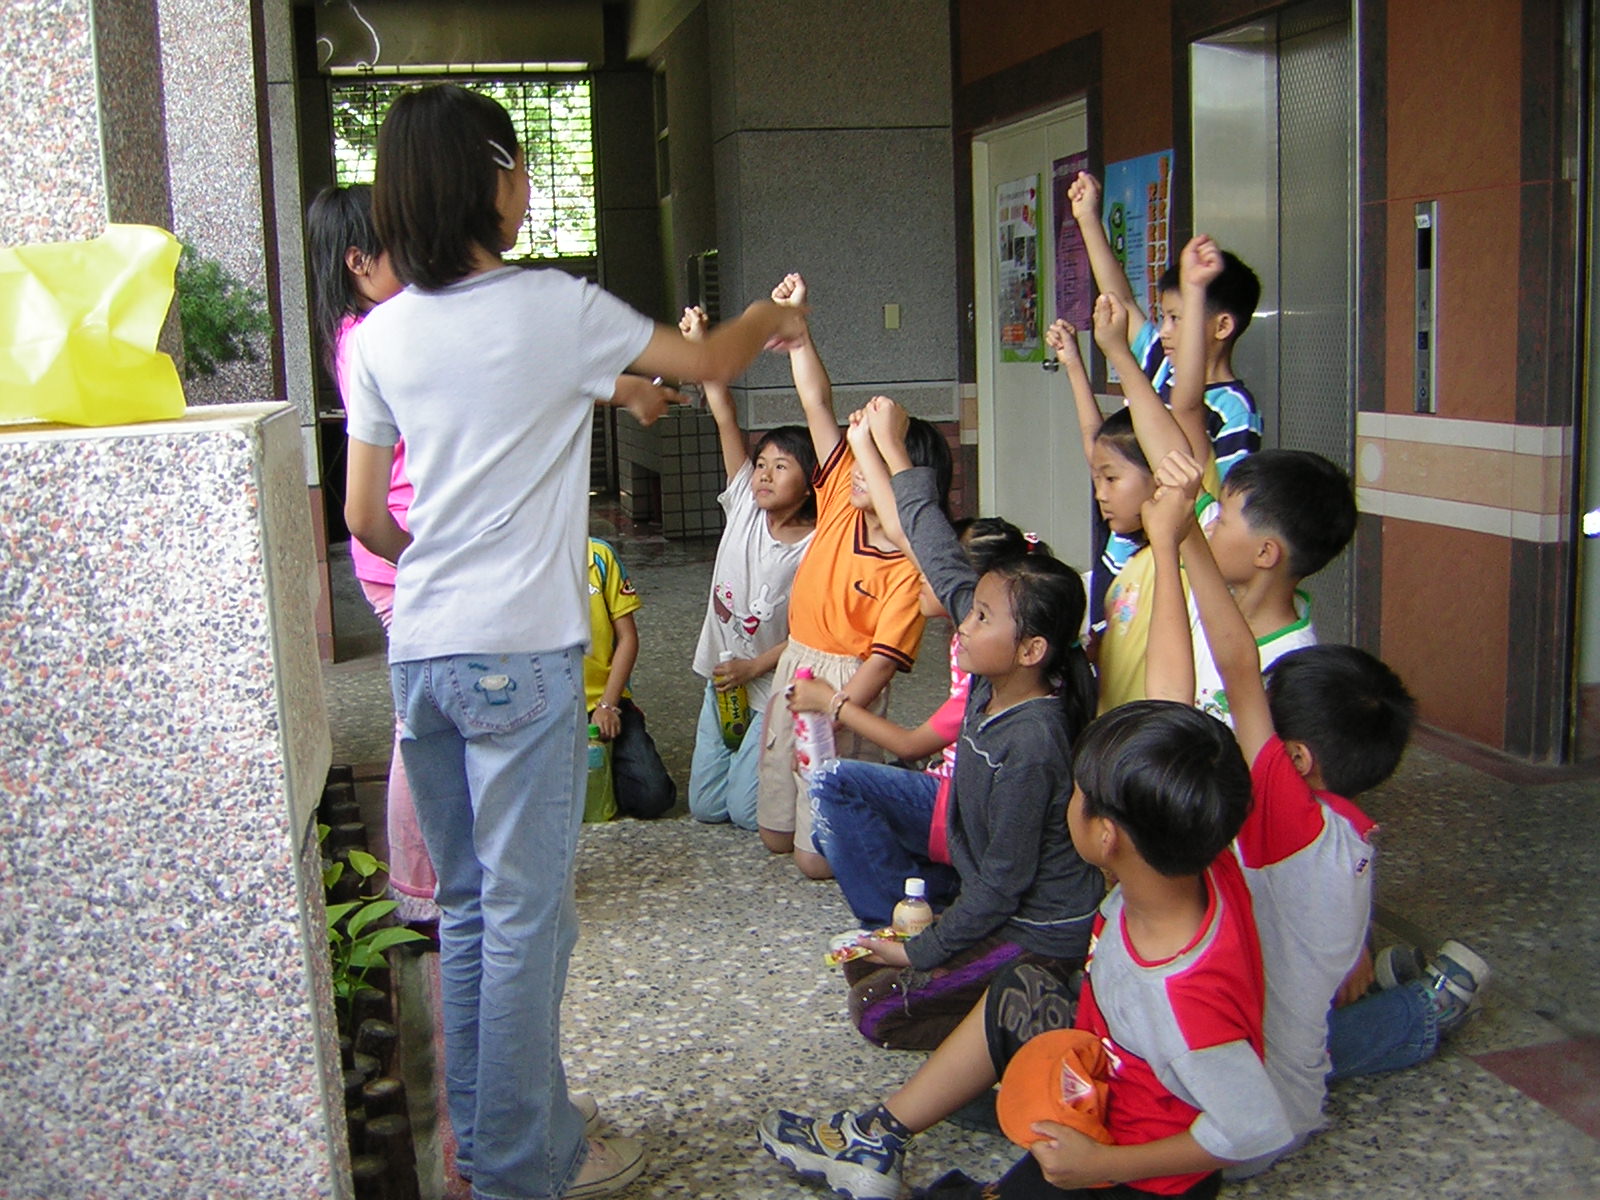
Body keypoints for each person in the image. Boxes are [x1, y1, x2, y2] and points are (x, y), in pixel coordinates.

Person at [341, 83, 809, 1200]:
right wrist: (772, 317)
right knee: (523, 920)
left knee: (467, 911)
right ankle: (522, 1170)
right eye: (516, 164)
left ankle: (488, 1144)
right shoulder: (551, 300)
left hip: (423, 655)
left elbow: (365, 515)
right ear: (488, 179)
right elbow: (712, 358)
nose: (524, 185)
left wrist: (453, 560)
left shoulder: (381, 334)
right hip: (520, 654)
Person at [759, 701, 1293, 1200]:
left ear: (1107, 836)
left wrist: (1101, 1164)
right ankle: (877, 1137)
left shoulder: (1178, 998)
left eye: (1076, 793)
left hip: (1130, 1175)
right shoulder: (1200, 859)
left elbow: (1255, 1127)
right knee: (1021, 985)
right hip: (1103, 1086)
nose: (1067, 803)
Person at [1141, 453, 1487, 1178]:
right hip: (1281, 1006)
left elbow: (1235, 669)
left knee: (1301, 1040)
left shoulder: (1284, 816)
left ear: (1295, 760)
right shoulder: (1340, 828)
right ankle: (1381, 981)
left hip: (1263, 1102)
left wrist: (1176, 546)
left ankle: (1422, 1013)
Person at [820, 396, 1102, 1051]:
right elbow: (931, 546)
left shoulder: (1033, 741)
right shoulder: (994, 673)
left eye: (980, 617)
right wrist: (892, 450)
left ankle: (1040, 1011)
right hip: (994, 904)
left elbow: (1005, 882)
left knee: (877, 1009)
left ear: (1031, 650)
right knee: (867, 969)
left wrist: (920, 952)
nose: (962, 625)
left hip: (1036, 931)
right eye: (970, 610)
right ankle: (973, 975)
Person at [755, 274, 948, 879]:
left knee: (817, 861)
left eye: (874, 459)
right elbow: (817, 403)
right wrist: (798, 333)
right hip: (797, 663)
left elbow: (881, 665)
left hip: (843, 687)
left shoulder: (909, 569)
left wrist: (832, 711)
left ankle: (889, 817)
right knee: (774, 835)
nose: (857, 466)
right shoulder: (841, 490)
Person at [790, 513, 1038, 931]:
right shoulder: (974, 642)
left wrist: (831, 703)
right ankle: (944, 888)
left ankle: (897, 922)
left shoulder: (993, 669)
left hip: (962, 808)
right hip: (953, 796)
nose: (918, 577)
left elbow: (910, 744)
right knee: (834, 828)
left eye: (931, 570)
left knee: (835, 787)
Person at [306, 183, 438, 923]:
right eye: (399, 247)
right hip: (405, 558)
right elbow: (367, 509)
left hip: (405, 556)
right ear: (359, 261)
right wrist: (422, 560)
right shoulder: (371, 339)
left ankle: (437, 882)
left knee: (430, 717)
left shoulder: (361, 330)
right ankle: (420, 893)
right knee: (422, 725)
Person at [680, 305, 816, 831]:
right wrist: (701, 345)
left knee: (742, 811)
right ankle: (757, 764)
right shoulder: (743, 506)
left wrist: (754, 668)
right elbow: (724, 416)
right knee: (706, 807)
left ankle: (794, 763)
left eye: (781, 467)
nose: (763, 475)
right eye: (761, 464)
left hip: (768, 687)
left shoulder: (815, 546)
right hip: (722, 679)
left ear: (811, 484)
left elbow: (808, 634)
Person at [1066, 171, 1263, 479]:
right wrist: (1087, 218)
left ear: (1222, 326)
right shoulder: (1162, 365)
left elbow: (1229, 496)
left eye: (1176, 318)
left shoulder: (1235, 409)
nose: (1164, 330)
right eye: (1164, 317)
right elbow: (1122, 302)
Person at [1158, 445, 1356, 724]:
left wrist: (1165, 543)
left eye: (1221, 519)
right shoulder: (1215, 583)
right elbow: (1162, 445)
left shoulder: (1290, 672)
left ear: (1265, 553)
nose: (1209, 527)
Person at [583, 537, 675, 820]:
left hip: (603, 702)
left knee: (653, 797)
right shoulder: (521, 559)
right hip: (549, 710)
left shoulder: (599, 556)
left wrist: (608, 705)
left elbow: (627, 638)